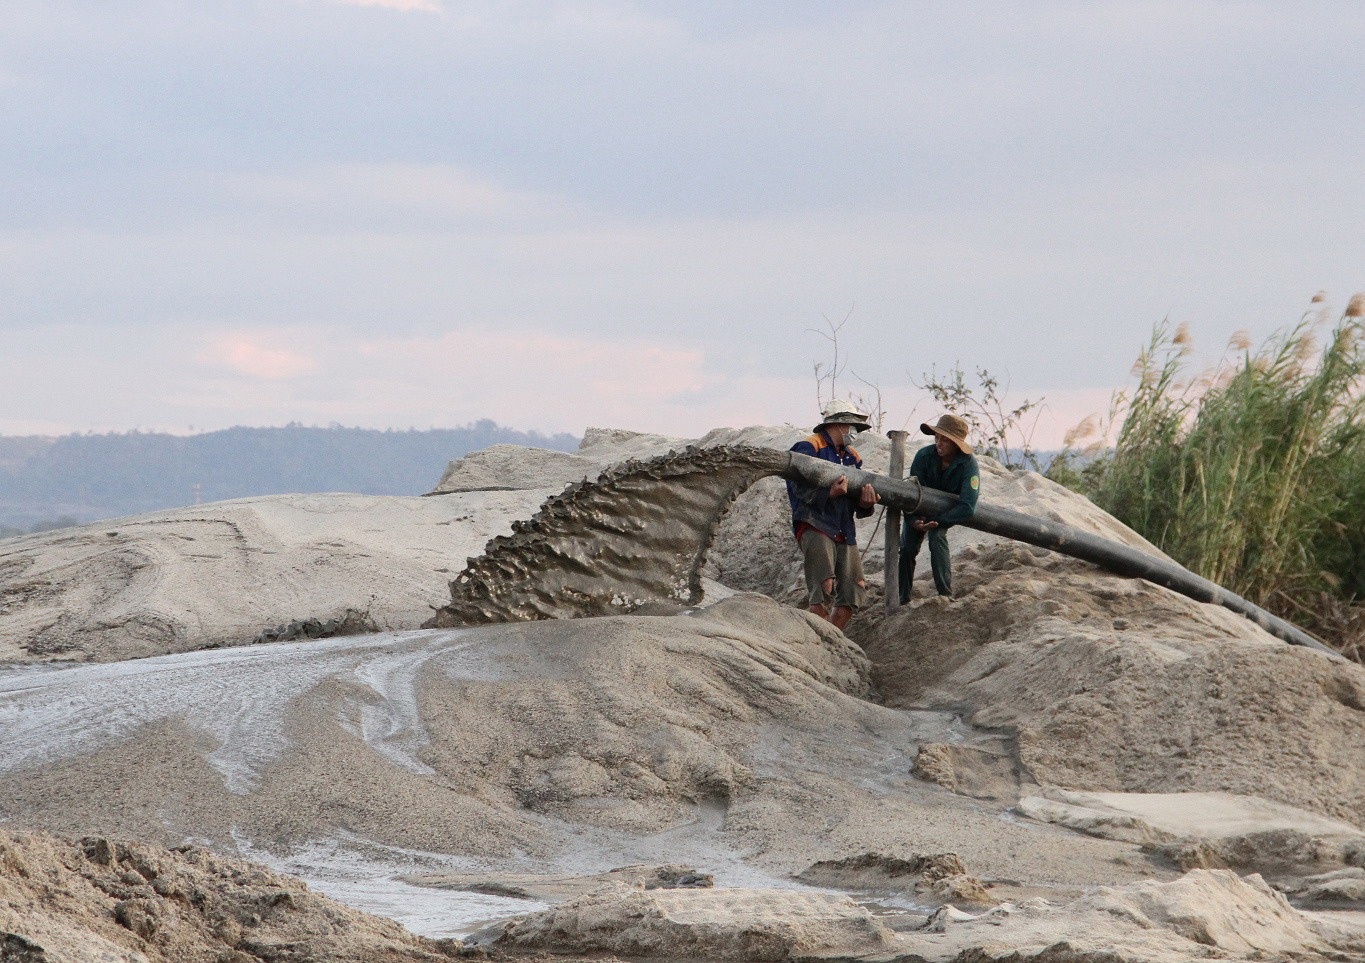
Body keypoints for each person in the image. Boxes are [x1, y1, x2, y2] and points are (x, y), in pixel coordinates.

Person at [786, 400, 880, 630]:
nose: (854, 431)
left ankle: (828, 640)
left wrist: (865, 503)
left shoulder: (853, 457)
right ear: (837, 424)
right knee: (823, 590)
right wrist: (829, 493)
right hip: (815, 524)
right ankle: (813, 644)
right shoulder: (808, 447)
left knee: (853, 593)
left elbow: (856, 501)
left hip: (843, 529)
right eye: (851, 425)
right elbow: (798, 488)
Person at [899, 413, 980, 602]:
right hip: (919, 510)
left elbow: (968, 506)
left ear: (956, 443)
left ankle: (944, 593)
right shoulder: (923, 456)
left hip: (947, 513)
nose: (939, 443)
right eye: (937, 437)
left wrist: (939, 521)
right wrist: (914, 521)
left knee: (937, 538)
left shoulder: (969, 465)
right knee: (907, 547)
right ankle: (902, 598)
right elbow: (910, 494)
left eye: (945, 439)